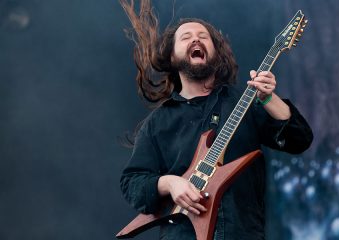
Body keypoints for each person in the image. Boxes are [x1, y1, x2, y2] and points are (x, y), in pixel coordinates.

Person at [119, 0, 313, 239]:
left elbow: (300, 140)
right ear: (171, 56)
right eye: (186, 37)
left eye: (203, 36)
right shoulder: (158, 123)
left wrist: (268, 99)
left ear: (216, 52)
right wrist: (170, 183)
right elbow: (132, 183)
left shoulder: (245, 103)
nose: (196, 39)